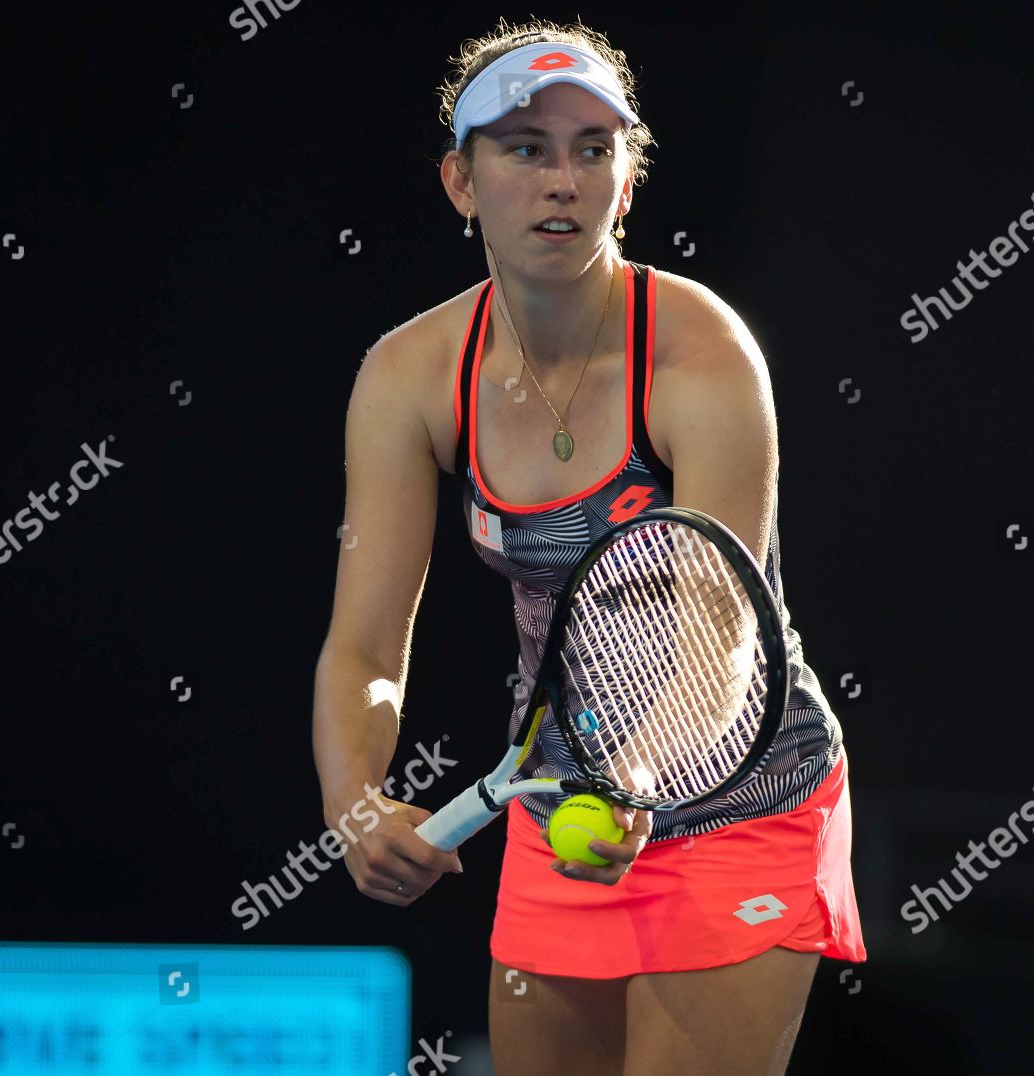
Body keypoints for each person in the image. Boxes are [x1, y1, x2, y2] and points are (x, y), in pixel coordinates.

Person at [312, 17, 866, 1076]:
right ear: (460, 181)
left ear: (626, 177)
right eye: (525, 148)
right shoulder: (409, 374)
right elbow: (366, 644)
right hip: (565, 795)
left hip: (744, 800)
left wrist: (637, 778)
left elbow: (716, 628)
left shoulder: (702, 352)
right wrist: (357, 800)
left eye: (592, 148)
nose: (562, 179)